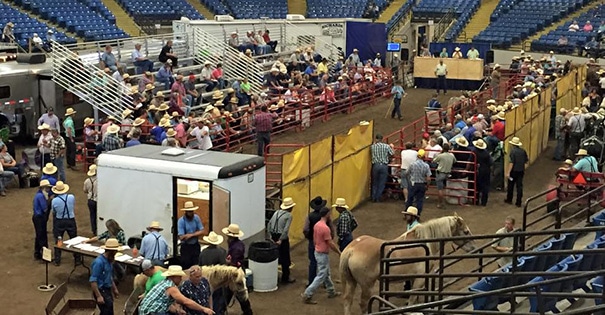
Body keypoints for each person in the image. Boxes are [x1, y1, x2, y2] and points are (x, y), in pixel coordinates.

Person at [301, 207, 341, 304]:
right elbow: (330, 243)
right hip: (322, 253)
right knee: (322, 275)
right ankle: (308, 293)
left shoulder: (317, 225)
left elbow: (314, 239)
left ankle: (331, 291)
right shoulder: (325, 228)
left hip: (317, 251)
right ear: (327, 214)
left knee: (326, 273)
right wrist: (339, 252)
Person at [138, 265, 214, 315]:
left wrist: (177, 311)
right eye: (179, 277)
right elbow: (186, 301)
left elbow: (165, 303)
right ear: (173, 277)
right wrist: (204, 309)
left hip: (146, 310)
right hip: (151, 312)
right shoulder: (171, 287)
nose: (181, 279)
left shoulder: (164, 283)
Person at [222, 224, 253, 315]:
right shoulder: (238, 244)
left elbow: (234, 263)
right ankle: (247, 311)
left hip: (235, 273)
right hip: (237, 271)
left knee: (235, 293)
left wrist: (228, 263)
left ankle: (247, 312)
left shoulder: (236, 248)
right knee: (235, 294)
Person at [51, 181, 80, 266]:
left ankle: (57, 259)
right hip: (70, 220)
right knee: (74, 239)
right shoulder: (71, 197)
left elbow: (54, 212)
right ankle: (77, 259)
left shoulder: (54, 201)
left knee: (59, 240)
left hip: (60, 221)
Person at [268, 197, 296, 284]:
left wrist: (270, 237)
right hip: (281, 237)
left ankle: (273, 276)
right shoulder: (289, 216)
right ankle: (285, 278)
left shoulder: (276, 212)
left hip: (273, 235)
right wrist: (281, 239)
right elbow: (286, 229)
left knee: (274, 256)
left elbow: (269, 224)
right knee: (285, 258)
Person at [90, 238, 121, 315]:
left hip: (107, 290)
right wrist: (99, 296)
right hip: (101, 290)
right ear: (111, 251)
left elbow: (109, 276)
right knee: (107, 312)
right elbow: (93, 281)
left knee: (108, 311)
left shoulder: (109, 261)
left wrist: (114, 288)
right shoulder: (99, 262)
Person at [199, 232, 227, 314]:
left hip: (204, 278)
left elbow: (200, 265)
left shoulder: (203, 252)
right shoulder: (221, 252)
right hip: (216, 280)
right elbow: (223, 268)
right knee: (218, 299)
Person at [303, 196, 328, 287]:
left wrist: (309, 237)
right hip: (323, 242)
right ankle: (326, 282)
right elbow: (331, 229)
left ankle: (311, 281)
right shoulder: (325, 217)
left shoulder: (310, 216)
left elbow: (305, 229)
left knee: (313, 261)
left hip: (312, 241)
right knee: (324, 262)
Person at [178, 201, 205, 270]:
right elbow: (181, 237)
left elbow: (202, 231)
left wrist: (190, 235)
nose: (191, 213)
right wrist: (195, 234)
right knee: (186, 266)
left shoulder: (196, 218)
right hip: (186, 247)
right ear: (186, 212)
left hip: (195, 245)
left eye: (192, 211)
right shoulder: (181, 221)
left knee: (196, 265)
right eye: (189, 211)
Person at [405, 149, 431, 216]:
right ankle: (418, 214)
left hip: (413, 183)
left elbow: (406, 173)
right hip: (421, 184)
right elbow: (428, 178)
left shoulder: (412, 164)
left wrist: (409, 180)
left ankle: (407, 213)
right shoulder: (426, 166)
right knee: (420, 200)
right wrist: (427, 185)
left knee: (410, 199)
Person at [504, 137, 529, 207]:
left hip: (513, 171)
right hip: (520, 171)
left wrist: (508, 172)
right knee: (519, 186)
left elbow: (511, 163)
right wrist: (523, 168)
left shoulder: (512, 152)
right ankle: (518, 202)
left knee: (511, 186)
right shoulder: (523, 151)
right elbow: (526, 161)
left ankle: (509, 199)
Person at [370, 134, 394, 202]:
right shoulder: (386, 146)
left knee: (375, 182)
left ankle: (373, 197)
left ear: (376, 139)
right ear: (382, 139)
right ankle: (378, 197)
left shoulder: (372, 147)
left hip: (375, 165)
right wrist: (392, 147)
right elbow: (392, 153)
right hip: (384, 165)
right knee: (382, 182)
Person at [432, 143, 456, 209]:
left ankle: (440, 203)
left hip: (440, 173)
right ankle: (442, 201)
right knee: (443, 187)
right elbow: (454, 161)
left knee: (440, 189)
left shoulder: (441, 155)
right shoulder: (452, 155)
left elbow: (434, 161)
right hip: (447, 173)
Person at [33, 180, 51, 260]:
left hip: (37, 217)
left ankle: (37, 253)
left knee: (39, 235)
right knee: (42, 236)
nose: (48, 189)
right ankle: (45, 256)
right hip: (40, 217)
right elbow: (45, 208)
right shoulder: (41, 196)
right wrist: (49, 201)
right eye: (47, 188)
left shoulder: (38, 195)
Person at [473, 139, 493, 206]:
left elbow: (471, 162)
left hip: (478, 170)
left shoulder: (474, 152)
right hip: (486, 170)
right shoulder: (486, 153)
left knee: (477, 185)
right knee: (485, 187)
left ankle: (476, 200)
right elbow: (491, 162)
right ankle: (484, 202)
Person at [83, 164, 98, 235]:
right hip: (97, 200)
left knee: (92, 215)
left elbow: (85, 190)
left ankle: (94, 230)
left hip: (90, 200)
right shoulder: (99, 180)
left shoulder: (87, 181)